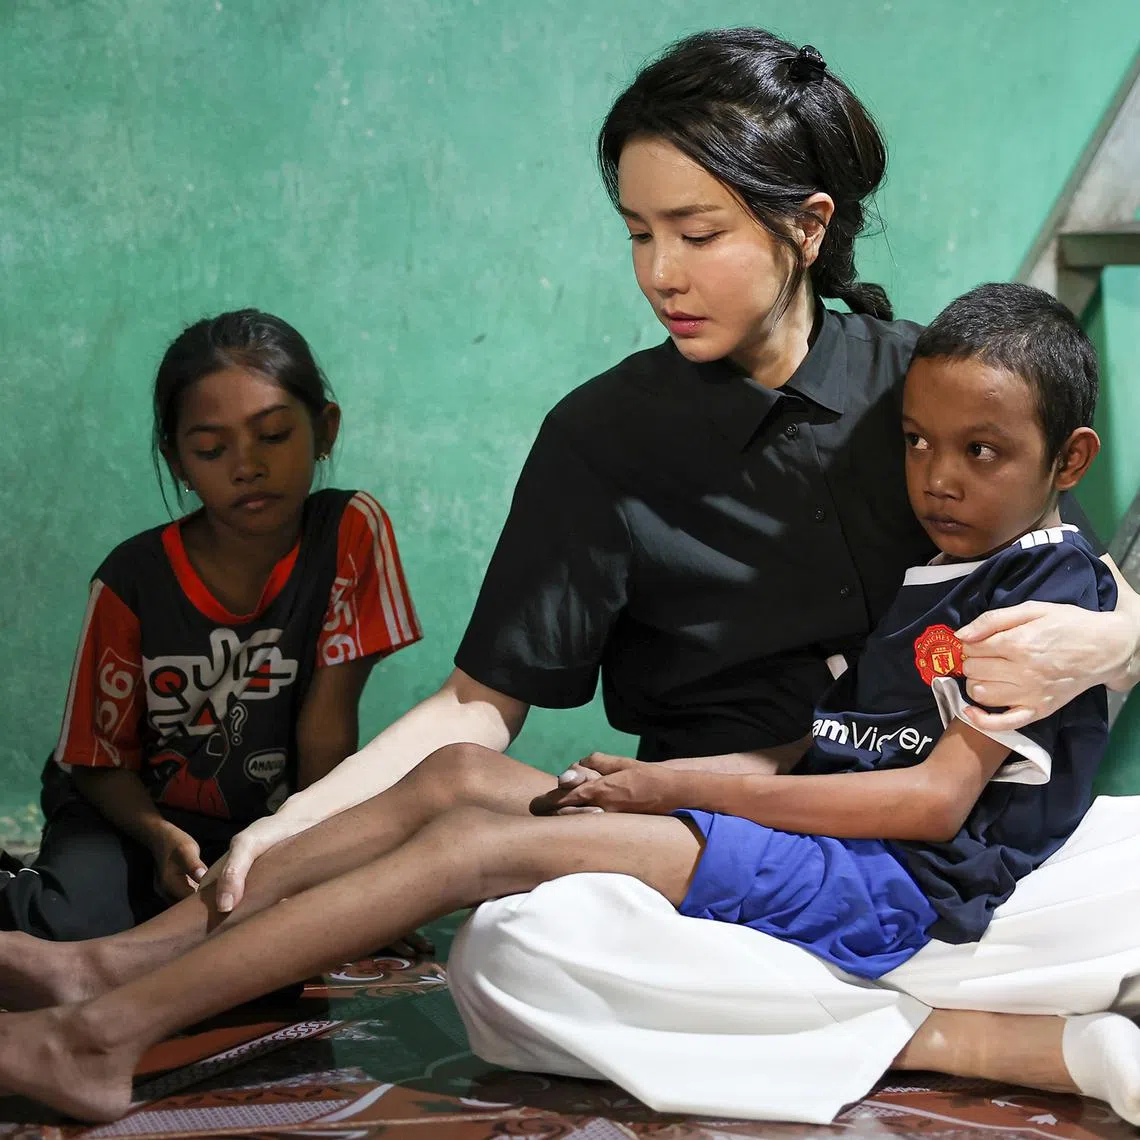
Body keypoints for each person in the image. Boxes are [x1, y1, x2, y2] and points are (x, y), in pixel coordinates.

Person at [0, 281, 1134, 1127]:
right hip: (815, 833)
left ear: (1069, 457)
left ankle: (102, 1041)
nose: (938, 476)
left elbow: (934, 804)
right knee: (454, 779)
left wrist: (669, 787)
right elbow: (820, 754)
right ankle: (104, 966)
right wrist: (666, 787)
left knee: (466, 852)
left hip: (893, 891)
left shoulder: (1046, 590)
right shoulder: (951, 563)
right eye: (919, 444)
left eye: (980, 452)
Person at [0, 309, 421, 941]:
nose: (246, 466)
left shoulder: (349, 533)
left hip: (269, 815)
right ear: (177, 462)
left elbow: (327, 729)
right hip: (126, 812)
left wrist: (313, 865)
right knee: (70, 929)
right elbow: (95, 761)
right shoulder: (131, 579)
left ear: (325, 429)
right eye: (211, 449)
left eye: (274, 436)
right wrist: (160, 837)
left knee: (311, 916)